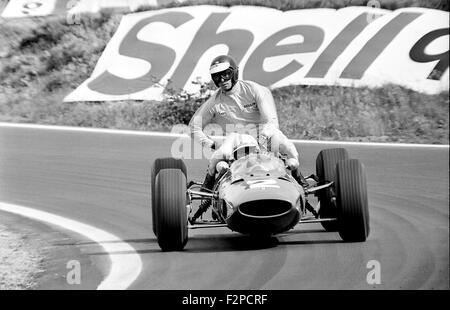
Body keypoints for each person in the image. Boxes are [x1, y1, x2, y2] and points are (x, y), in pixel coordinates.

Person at [188, 55, 308, 223]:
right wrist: (210, 144)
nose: (222, 79)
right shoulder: (215, 102)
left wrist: (263, 139)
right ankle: (209, 185)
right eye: (217, 76)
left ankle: (300, 180)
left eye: (226, 74)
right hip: (237, 141)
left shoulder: (254, 90)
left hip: (265, 137)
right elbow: (194, 127)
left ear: (235, 72)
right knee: (218, 160)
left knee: (290, 151)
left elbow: (271, 121)